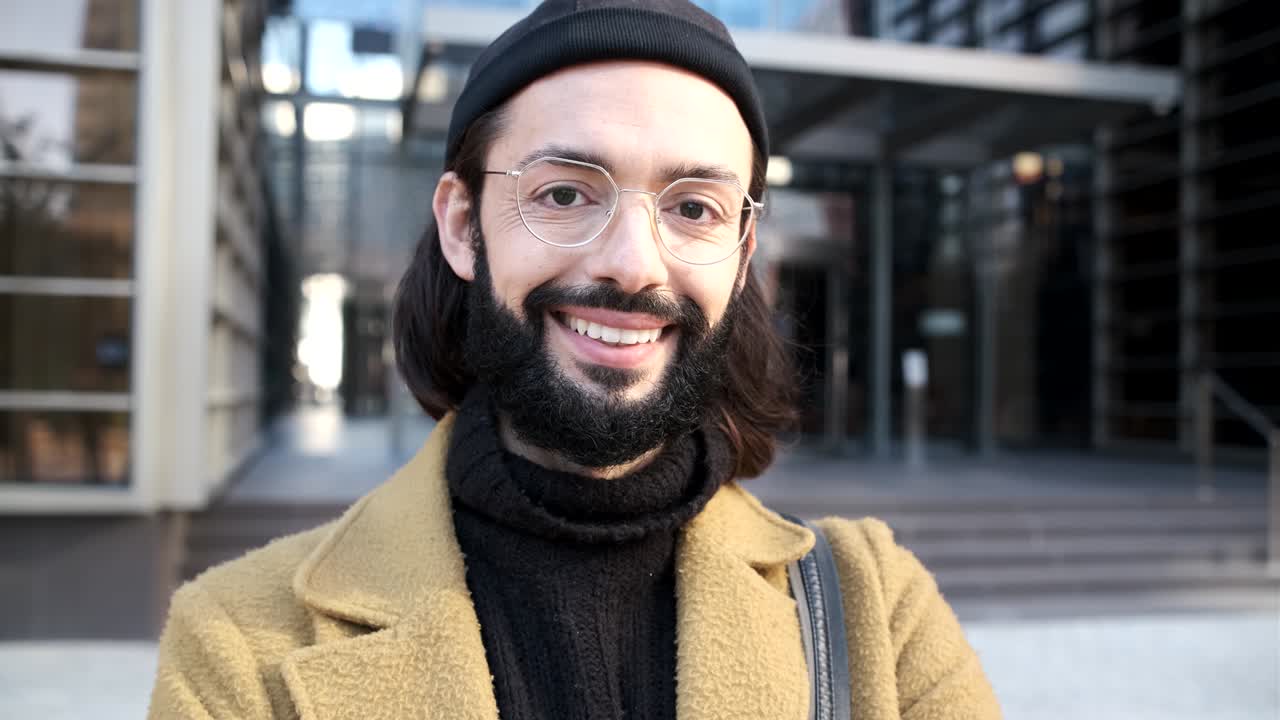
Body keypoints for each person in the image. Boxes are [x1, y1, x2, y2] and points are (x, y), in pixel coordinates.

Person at [148, 1, 1001, 718]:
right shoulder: (238, 643)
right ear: (460, 225)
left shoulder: (875, 609)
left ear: (743, 258)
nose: (633, 262)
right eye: (564, 192)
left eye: (695, 208)